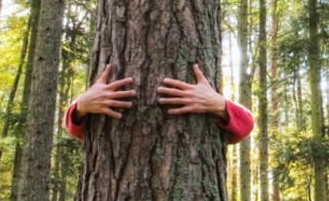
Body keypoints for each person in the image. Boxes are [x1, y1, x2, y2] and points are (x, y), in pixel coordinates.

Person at [63, 61, 254, 144]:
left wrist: (220, 105)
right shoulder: (98, 96)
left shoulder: (210, 101)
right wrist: (80, 107)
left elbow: (246, 125)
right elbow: (74, 127)